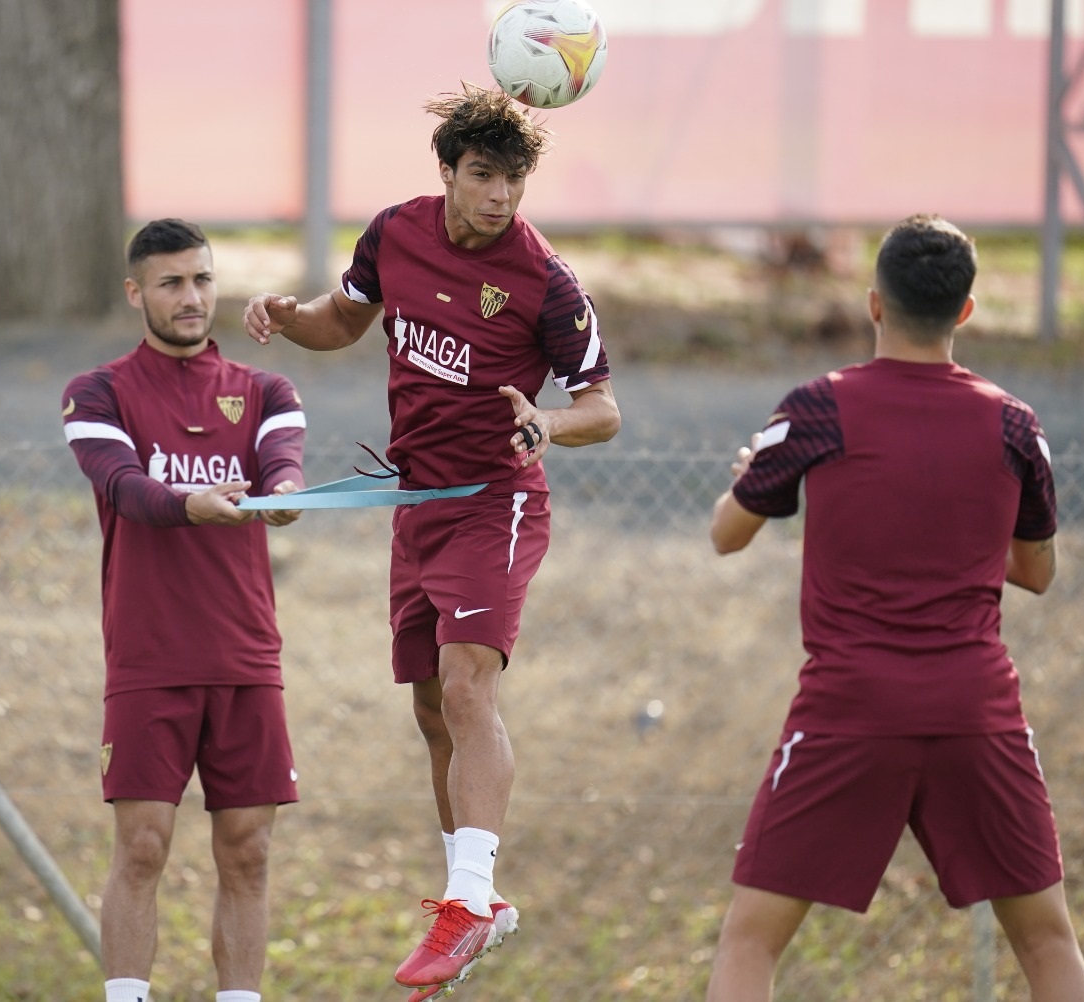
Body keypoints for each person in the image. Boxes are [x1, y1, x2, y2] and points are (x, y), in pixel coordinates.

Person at [243, 84, 620, 998]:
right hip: (415, 502)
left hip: (497, 502)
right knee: (428, 708)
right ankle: (478, 904)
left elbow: (602, 410)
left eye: (514, 179)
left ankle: (468, 901)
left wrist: (548, 425)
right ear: (447, 171)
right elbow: (346, 317)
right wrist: (295, 320)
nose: (500, 196)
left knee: (464, 684)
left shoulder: (547, 282)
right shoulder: (395, 233)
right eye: (484, 175)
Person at [704, 215, 1084, 1001]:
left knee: (751, 940)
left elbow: (727, 534)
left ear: (874, 303)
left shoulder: (818, 409)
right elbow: (1037, 571)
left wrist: (756, 471)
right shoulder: (1016, 423)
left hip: (851, 708)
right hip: (976, 708)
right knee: (1049, 939)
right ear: (967, 310)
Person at [63, 219, 306, 1002]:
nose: (192, 297)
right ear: (137, 293)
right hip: (148, 660)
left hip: (245, 659)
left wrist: (287, 500)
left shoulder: (268, 389)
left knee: (249, 850)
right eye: (171, 283)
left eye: (202, 279)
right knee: (141, 847)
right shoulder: (97, 392)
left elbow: (283, 468)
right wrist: (190, 503)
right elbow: (124, 488)